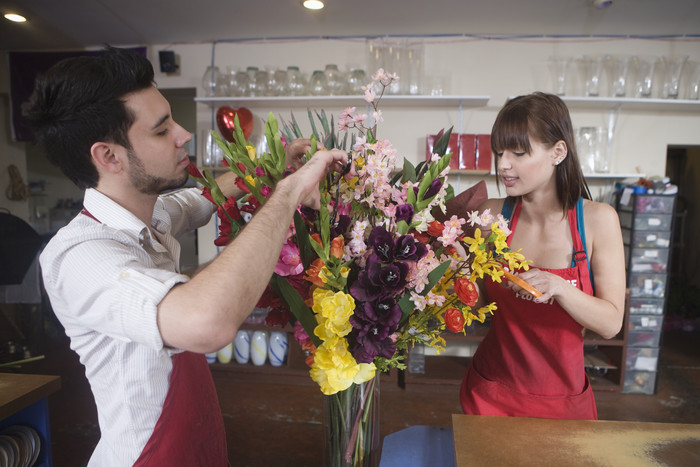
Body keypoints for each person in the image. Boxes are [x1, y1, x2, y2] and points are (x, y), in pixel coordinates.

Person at [24, 46, 349, 465]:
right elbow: (205, 323)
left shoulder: (151, 213)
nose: (183, 134)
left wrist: (271, 169)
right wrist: (288, 193)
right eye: (161, 131)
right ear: (109, 156)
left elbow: (203, 199)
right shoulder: (82, 255)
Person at [459, 92, 626, 420]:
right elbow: (475, 302)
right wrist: (448, 271)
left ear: (558, 152)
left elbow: (610, 323)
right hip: (490, 394)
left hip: (564, 403)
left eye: (519, 153)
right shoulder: (492, 215)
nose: (503, 164)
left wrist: (560, 288)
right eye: (500, 152)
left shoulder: (596, 220)